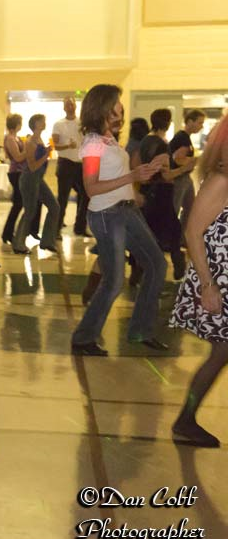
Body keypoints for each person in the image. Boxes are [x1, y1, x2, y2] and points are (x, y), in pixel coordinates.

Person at [70, 84, 168, 356]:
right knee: (114, 281)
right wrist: (132, 178)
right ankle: (83, 338)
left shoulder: (108, 139)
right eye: (116, 103)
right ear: (102, 106)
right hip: (106, 215)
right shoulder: (92, 143)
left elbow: (121, 176)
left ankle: (141, 330)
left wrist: (141, 178)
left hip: (125, 210)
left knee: (157, 264)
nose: (120, 109)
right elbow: (91, 187)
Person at [170, 116, 228, 447]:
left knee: (222, 353)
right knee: (222, 352)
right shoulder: (221, 179)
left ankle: (185, 420)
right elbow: (192, 231)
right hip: (217, 279)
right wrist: (207, 285)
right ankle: (185, 420)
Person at [138, 109, 195, 281]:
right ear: (168, 123)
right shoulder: (162, 145)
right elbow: (166, 175)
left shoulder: (145, 141)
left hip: (147, 191)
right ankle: (177, 270)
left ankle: (139, 274)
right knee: (174, 231)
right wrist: (186, 168)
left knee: (151, 233)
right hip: (161, 193)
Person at [11, 114, 60, 255]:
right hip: (29, 179)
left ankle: (48, 241)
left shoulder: (39, 139)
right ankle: (18, 243)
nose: (44, 123)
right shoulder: (31, 141)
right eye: (41, 121)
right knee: (30, 211)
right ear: (35, 124)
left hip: (37, 179)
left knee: (54, 206)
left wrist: (47, 150)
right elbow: (32, 166)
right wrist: (46, 155)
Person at [52, 96, 89, 236]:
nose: (70, 106)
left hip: (80, 163)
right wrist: (68, 145)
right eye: (67, 104)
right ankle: (56, 230)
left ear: (76, 106)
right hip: (65, 163)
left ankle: (80, 227)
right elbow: (55, 145)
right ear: (63, 107)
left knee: (86, 194)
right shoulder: (58, 124)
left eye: (72, 104)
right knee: (62, 197)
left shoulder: (82, 123)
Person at [1, 113, 38, 243]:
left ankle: (9, 232)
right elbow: (17, 157)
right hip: (16, 172)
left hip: (19, 172)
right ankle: (8, 232)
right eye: (20, 123)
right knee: (18, 204)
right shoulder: (10, 138)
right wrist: (29, 149)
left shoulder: (15, 137)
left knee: (18, 204)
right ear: (16, 124)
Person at [170, 109, 205, 237]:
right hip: (180, 178)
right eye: (199, 123)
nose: (201, 127)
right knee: (176, 208)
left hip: (185, 178)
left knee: (190, 207)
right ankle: (172, 238)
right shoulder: (182, 138)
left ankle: (181, 236)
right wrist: (194, 160)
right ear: (190, 121)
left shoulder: (186, 138)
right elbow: (177, 159)